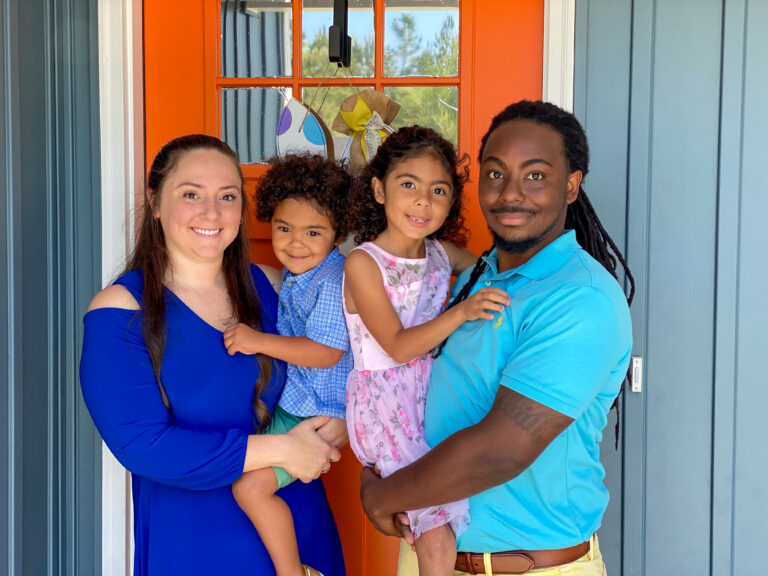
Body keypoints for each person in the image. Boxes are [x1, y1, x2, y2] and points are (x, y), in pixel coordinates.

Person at [359, 101, 635, 576]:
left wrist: (380, 494)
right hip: (433, 550)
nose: (510, 193)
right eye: (495, 173)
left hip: (530, 568)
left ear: (571, 185)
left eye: (535, 175)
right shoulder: (476, 274)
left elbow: (502, 450)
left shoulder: (579, 299)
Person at [79, 135, 346, 576]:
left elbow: (343, 359)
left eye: (227, 196)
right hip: (194, 543)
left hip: (299, 532)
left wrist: (342, 420)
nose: (211, 212)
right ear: (156, 203)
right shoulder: (120, 310)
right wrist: (280, 446)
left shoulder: (276, 285)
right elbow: (143, 447)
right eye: (191, 195)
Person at [343, 126, 511, 576]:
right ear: (379, 190)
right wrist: (463, 313)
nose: (423, 201)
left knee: (445, 508)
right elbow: (397, 348)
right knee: (434, 527)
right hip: (389, 403)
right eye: (408, 185)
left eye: (439, 190)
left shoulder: (439, 253)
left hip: (431, 398)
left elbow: (486, 266)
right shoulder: (364, 263)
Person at [222, 154, 354, 576]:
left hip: (314, 412)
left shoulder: (333, 281)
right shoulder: (300, 274)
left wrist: (257, 341)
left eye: (313, 232)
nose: (295, 243)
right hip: (301, 403)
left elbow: (326, 352)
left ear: (338, 233)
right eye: (284, 229)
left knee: (249, 487)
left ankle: (290, 572)